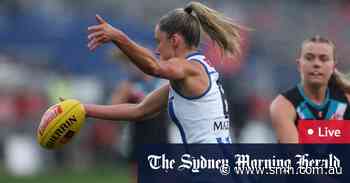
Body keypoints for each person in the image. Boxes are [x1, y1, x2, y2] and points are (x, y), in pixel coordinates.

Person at [85, 1, 244, 144]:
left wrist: (117, 37)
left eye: (158, 41)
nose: (157, 49)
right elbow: (139, 110)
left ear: (174, 40)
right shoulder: (190, 75)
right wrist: (83, 109)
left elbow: (153, 66)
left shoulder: (189, 68)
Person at [270, 35, 350, 143]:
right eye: (309, 58)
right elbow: (295, 158)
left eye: (323, 59)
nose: (316, 64)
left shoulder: (346, 100)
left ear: (333, 67)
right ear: (299, 65)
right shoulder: (283, 106)